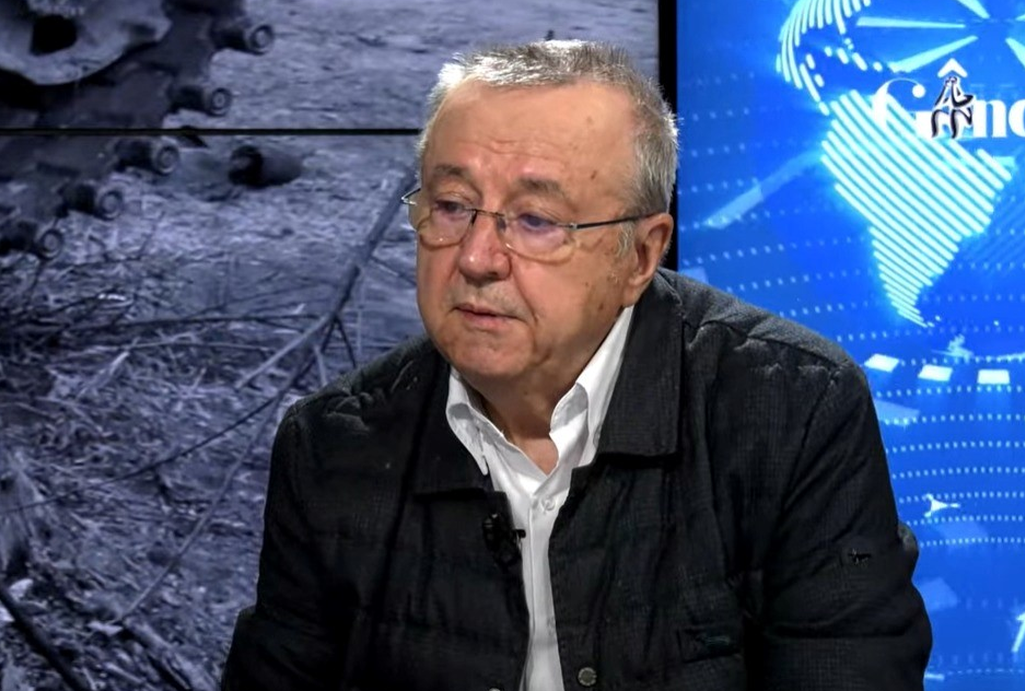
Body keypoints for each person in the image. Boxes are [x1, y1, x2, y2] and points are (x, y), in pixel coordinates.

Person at [221, 39, 932, 690]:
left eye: (535, 221)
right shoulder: (332, 446)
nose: (476, 258)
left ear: (641, 255)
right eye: (452, 206)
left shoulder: (793, 410)